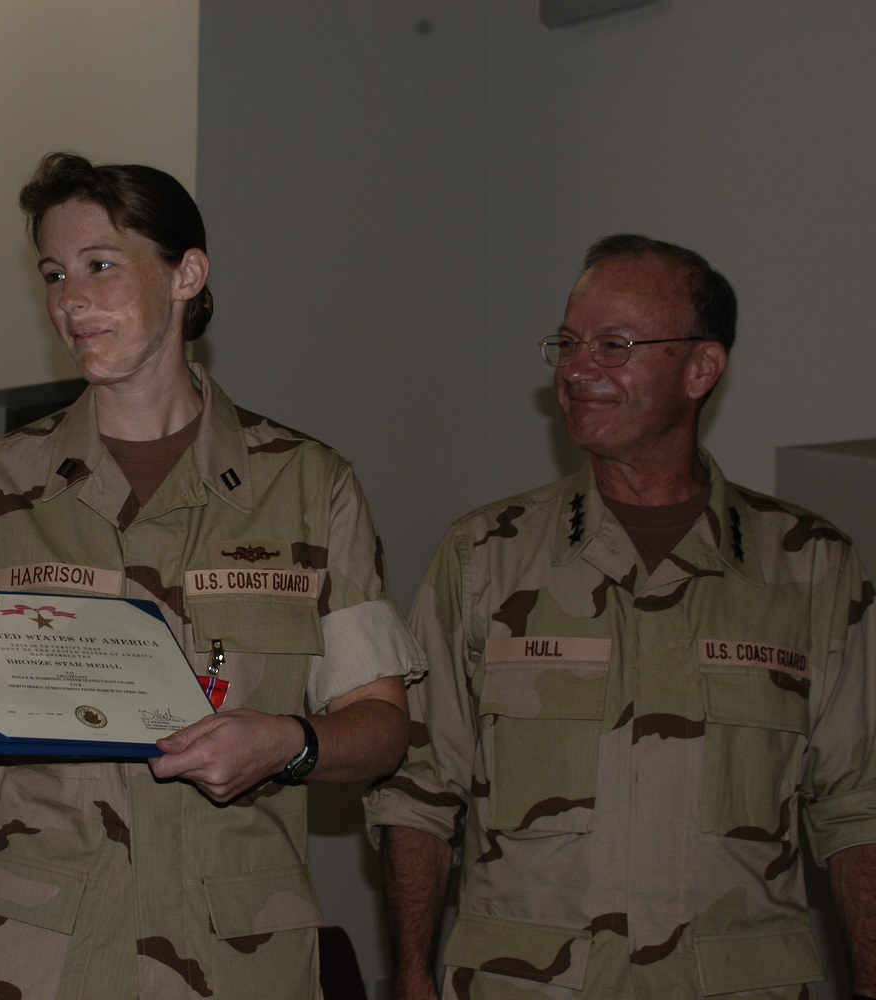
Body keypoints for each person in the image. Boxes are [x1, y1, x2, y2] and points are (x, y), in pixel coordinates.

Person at [0, 151, 423, 1000]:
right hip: (15, 954)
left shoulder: (310, 487)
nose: (70, 300)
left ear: (187, 274)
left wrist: (286, 743)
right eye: (54, 274)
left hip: (230, 963)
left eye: (100, 265)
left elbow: (382, 726)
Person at [366, 234, 876, 999]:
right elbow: (419, 792)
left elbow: (858, 811)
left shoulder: (810, 568)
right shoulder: (485, 557)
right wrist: (409, 975)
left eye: (615, 344)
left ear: (701, 368)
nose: (577, 369)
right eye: (568, 343)